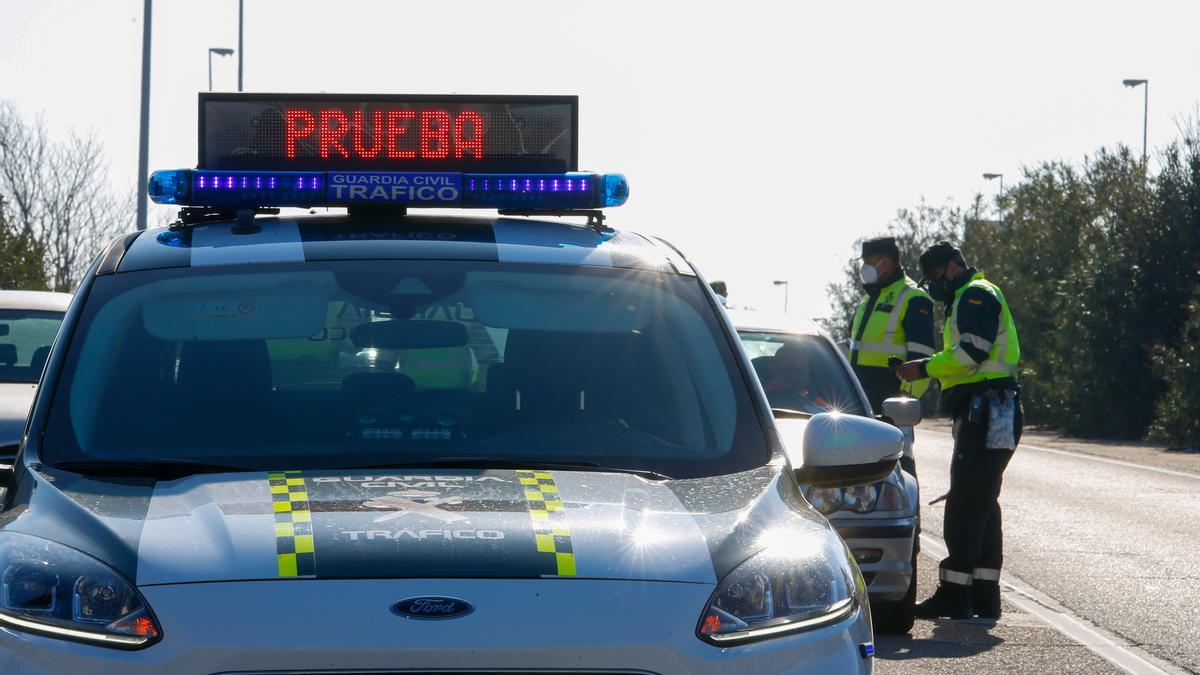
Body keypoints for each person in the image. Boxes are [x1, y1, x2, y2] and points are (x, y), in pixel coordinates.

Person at [895, 241, 1023, 620]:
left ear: (952, 267)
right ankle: (984, 594)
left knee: (966, 502)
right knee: (981, 500)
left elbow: (971, 354)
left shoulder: (975, 295)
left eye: (934, 278)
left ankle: (954, 594)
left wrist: (924, 367)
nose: (933, 287)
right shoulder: (969, 296)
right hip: (994, 407)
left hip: (987, 408)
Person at [848, 236, 935, 413]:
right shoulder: (866, 301)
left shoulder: (913, 297)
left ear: (885, 261)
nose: (864, 268)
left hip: (892, 400)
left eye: (868, 262)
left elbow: (921, 353)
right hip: (859, 398)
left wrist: (907, 398)